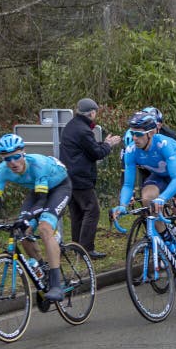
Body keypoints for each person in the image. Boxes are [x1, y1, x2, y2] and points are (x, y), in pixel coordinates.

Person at [113, 112, 176, 299]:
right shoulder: (132, 151)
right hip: (160, 175)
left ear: (150, 133)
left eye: (139, 134)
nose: (135, 138)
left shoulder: (163, 145)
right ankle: (168, 238)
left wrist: (163, 198)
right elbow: (127, 184)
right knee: (146, 197)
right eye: (132, 133)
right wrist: (122, 205)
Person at [0, 134, 71, 301]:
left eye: (17, 156)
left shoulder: (38, 164)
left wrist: (28, 217)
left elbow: (42, 201)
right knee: (22, 232)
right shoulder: (2, 170)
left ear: (23, 152)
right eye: (7, 158)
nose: (13, 163)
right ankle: (42, 270)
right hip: (38, 190)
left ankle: (56, 285)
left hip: (59, 188)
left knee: (45, 227)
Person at [59, 98, 121, 259]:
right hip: (80, 177)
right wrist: (109, 145)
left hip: (68, 177)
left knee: (77, 213)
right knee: (92, 210)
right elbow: (96, 153)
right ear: (92, 113)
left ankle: (77, 246)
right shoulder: (83, 130)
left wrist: (103, 143)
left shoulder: (71, 126)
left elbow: (89, 148)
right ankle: (86, 249)